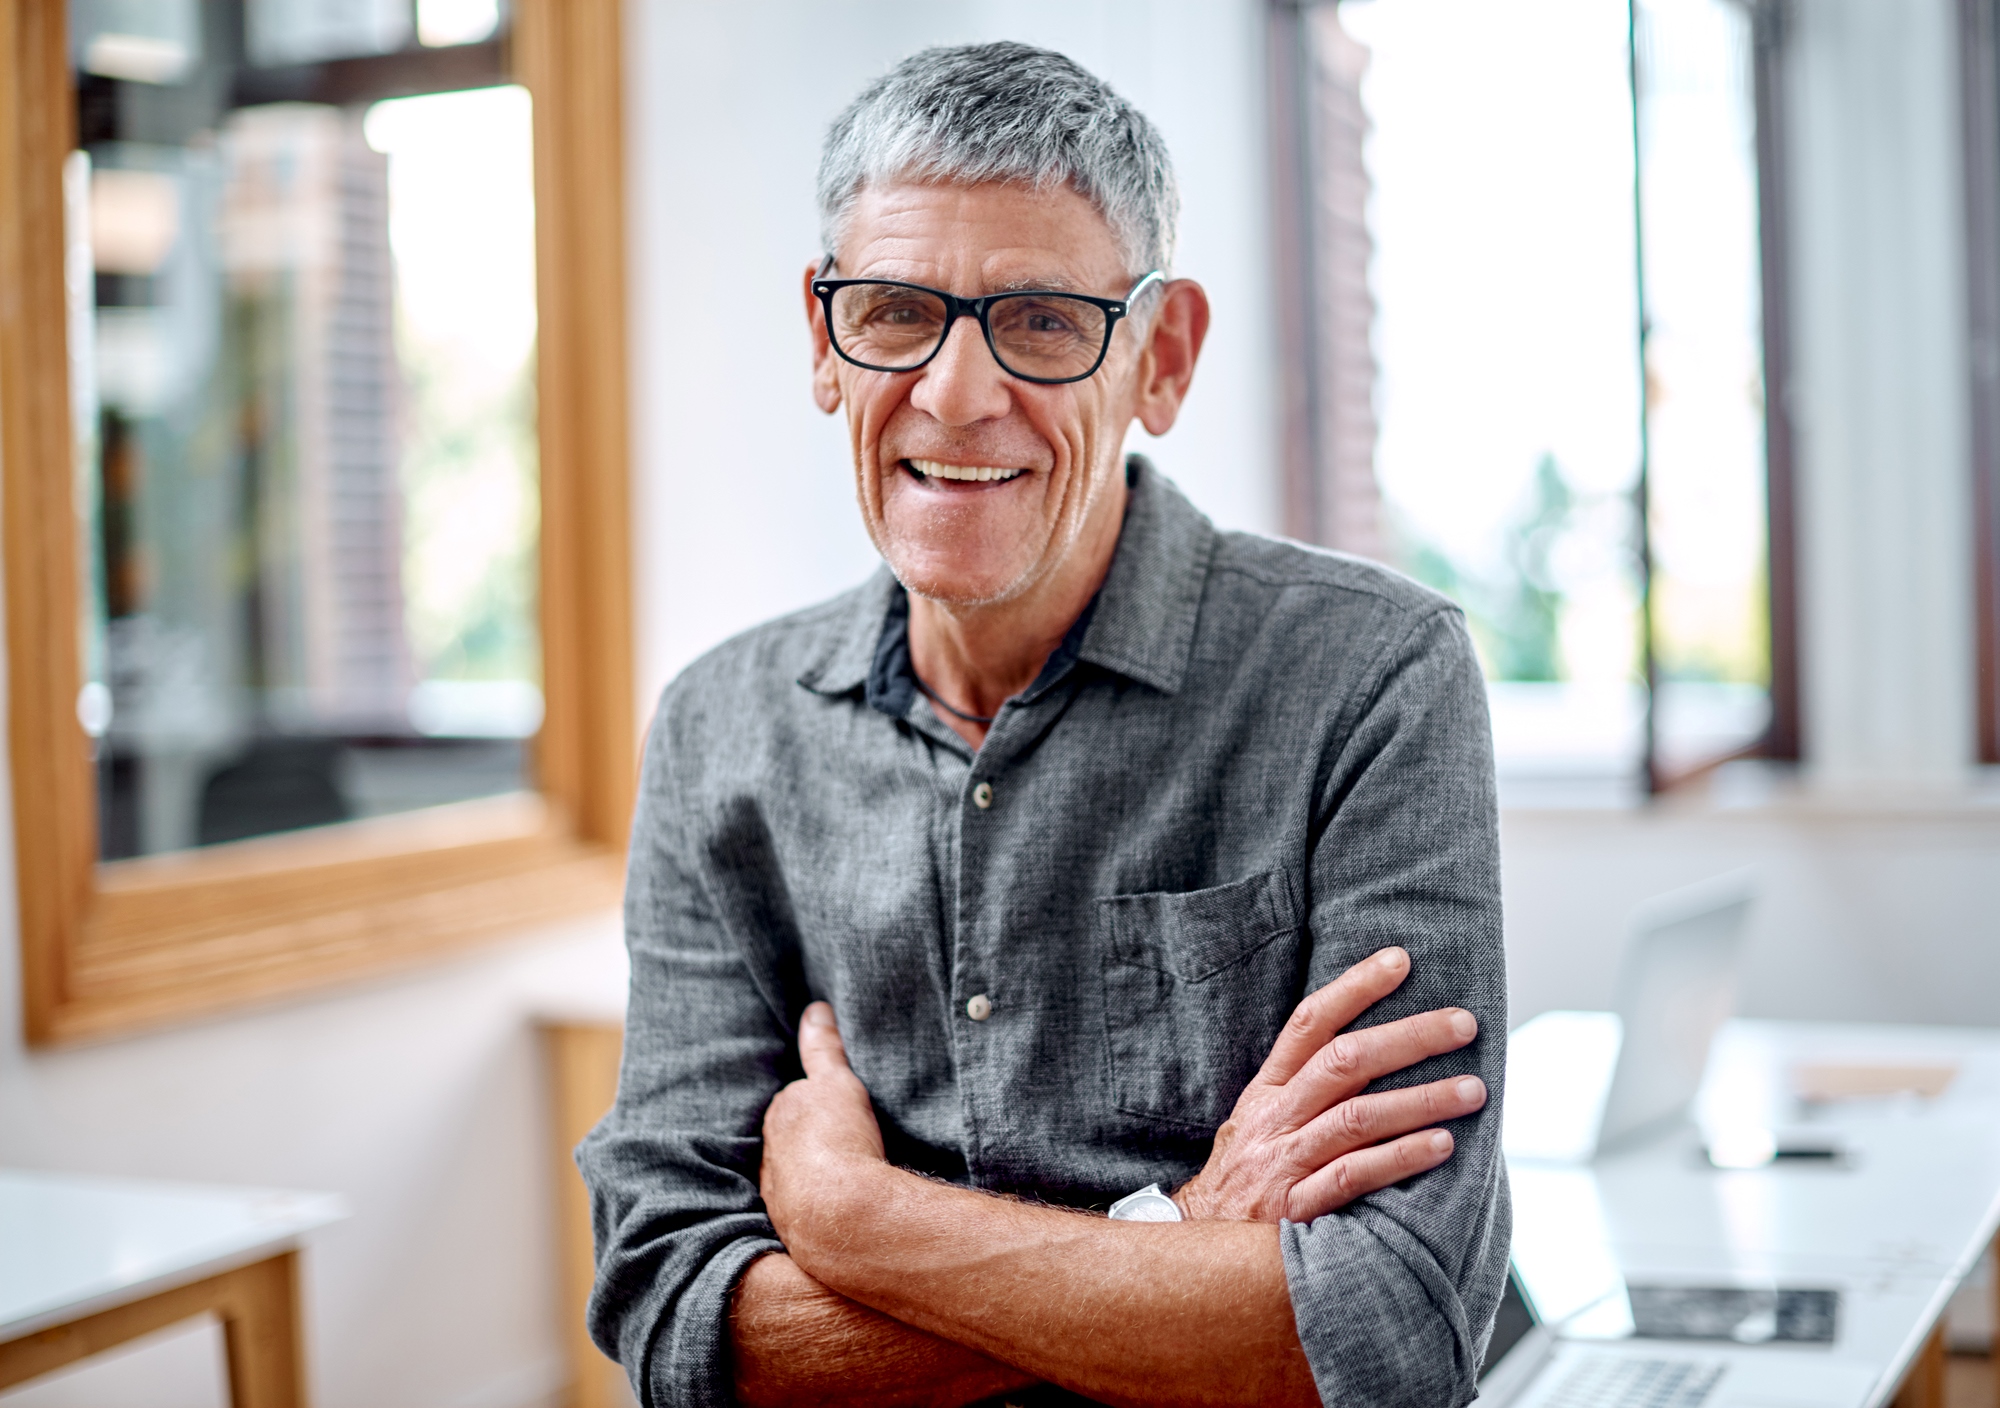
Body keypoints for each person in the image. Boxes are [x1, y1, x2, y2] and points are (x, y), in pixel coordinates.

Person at [579, 41, 1509, 1408]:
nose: (957, 393)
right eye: (895, 310)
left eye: (1044, 320)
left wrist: (851, 1222)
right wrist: (1184, 1238)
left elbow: (1390, 1322)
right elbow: (676, 1318)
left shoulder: (1374, 676)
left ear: (1161, 358)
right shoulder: (720, 730)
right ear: (825, 342)